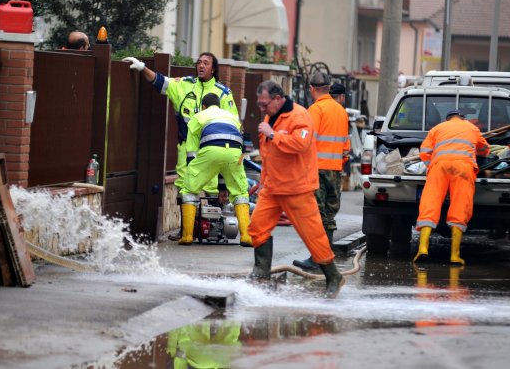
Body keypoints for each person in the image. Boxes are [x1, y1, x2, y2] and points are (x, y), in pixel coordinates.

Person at [247, 80, 344, 299]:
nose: (261, 108)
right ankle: (261, 272)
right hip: (273, 188)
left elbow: (300, 144)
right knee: (257, 227)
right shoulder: (270, 117)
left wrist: (273, 134)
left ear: (277, 99)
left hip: (297, 188)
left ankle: (333, 276)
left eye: (264, 104)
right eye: (259, 104)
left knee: (313, 237)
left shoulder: (299, 116)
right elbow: (268, 154)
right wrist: (263, 180)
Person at [123, 53, 238, 196]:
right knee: (185, 197)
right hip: (186, 155)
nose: (201, 65)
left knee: (210, 200)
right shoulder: (184, 85)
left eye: (206, 63)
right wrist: (142, 68)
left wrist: (224, 183)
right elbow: (160, 82)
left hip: (211, 155)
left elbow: (233, 125)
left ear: (213, 69)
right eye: (199, 62)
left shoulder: (223, 94)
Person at [413, 109, 490, 265]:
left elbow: (425, 151)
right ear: (462, 118)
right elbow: (484, 150)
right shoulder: (472, 128)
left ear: (447, 119)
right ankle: (455, 255)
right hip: (463, 168)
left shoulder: (437, 128)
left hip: (439, 167)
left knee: (430, 204)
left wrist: (431, 166)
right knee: (460, 207)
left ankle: (422, 249)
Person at [179, 93, 252, 246]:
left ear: (204, 106)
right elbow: (235, 148)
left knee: (189, 190)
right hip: (235, 153)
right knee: (240, 192)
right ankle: (246, 236)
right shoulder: (231, 117)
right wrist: (223, 186)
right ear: (219, 105)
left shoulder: (198, 116)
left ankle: (187, 236)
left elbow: (191, 151)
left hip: (211, 150)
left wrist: (194, 172)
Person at [293, 74, 349, 270]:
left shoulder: (315, 110)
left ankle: (318, 258)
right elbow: (346, 146)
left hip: (317, 169)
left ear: (312, 88)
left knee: (317, 214)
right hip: (335, 170)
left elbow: (306, 141)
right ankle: (325, 257)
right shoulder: (341, 111)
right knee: (329, 214)